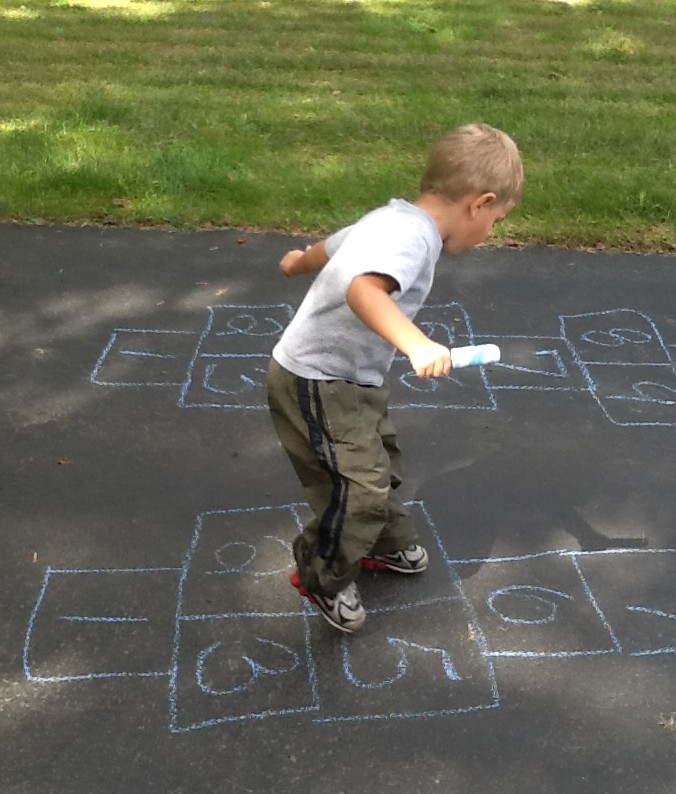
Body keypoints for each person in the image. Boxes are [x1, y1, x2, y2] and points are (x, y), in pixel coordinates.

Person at [266, 123, 523, 633]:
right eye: (496, 219)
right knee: (355, 485)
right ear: (479, 202)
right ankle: (321, 575)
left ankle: (380, 545)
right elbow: (364, 289)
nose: (490, 232)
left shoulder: (392, 217)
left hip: (353, 378)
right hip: (317, 380)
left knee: (379, 462)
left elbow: (335, 247)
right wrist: (417, 344)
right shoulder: (410, 238)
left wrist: (298, 262)